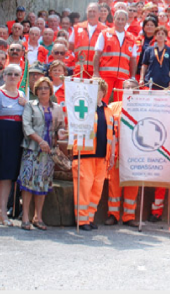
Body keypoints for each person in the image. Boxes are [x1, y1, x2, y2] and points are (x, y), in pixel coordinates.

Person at [19, 77, 66, 230]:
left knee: (43, 183)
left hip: (49, 152)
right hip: (32, 149)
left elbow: (60, 126)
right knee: (28, 183)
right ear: (36, 91)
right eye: (40, 88)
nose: (43, 90)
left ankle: (38, 217)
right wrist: (40, 141)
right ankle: (25, 216)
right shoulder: (30, 106)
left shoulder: (57, 108)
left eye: (46, 88)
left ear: (50, 91)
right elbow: (26, 126)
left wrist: (61, 133)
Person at [0, 64, 26, 227]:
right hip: (1, 135)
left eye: (16, 74)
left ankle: (2, 211)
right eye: (9, 74)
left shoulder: (22, 94)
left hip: (15, 138)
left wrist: (26, 104)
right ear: (4, 76)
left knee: (8, 176)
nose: (12, 77)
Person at [71, 78, 113, 231]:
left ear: (103, 93)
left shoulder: (108, 111)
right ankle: (81, 220)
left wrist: (112, 154)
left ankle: (90, 217)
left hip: (102, 156)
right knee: (84, 187)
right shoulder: (82, 107)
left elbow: (112, 135)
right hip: (85, 154)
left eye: (97, 90)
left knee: (96, 189)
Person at [105, 78, 141, 227]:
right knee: (114, 184)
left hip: (134, 152)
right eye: (127, 88)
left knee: (132, 184)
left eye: (133, 88)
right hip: (117, 152)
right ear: (122, 89)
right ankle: (112, 214)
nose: (130, 90)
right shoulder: (113, 107)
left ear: (138, 91)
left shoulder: (142, 108)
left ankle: (129, 215)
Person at [92, 10, 138, 102]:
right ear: (114, 19)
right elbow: (97, 54)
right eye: (118, 19)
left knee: (120, 103)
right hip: (106, 75)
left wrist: (132, 76)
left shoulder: (131, 38)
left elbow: (133, 59)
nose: (120, 21)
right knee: (101, 101)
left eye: (122, 19)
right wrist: (95, 72)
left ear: (126, 21)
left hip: (123, 77)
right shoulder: (104, 34)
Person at [70, 3, 108, 78]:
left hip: (97, 70)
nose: (92, 14)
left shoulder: (105, 30)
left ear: (99, 14)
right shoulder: (77, 27)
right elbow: (70, 45)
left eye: (94, 11)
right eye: (90, 11)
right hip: (80, 68)